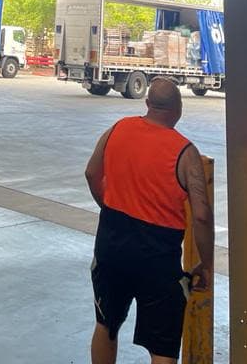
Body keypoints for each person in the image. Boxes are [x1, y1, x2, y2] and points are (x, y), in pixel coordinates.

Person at [85, 77, 214, 364]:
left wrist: (108, 209)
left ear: (147, 104)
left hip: (111, 245)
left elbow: (92, 174)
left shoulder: (117, 129)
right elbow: (202, 216)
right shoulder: (185, 152)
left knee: (106, 324)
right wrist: (205, 265)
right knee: (163, 346)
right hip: (157, 257)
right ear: (178, 109)